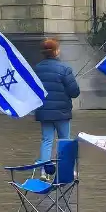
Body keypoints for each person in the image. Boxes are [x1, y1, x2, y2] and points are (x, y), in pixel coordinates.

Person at [32, 39, 79, 176]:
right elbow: (74, 92)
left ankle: (43, 170)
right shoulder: (65, 69)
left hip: (44, 112)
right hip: (62, 112)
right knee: (64, 140)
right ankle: (67, 169)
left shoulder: (37, 69)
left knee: (46, 140)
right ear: (56, 51)